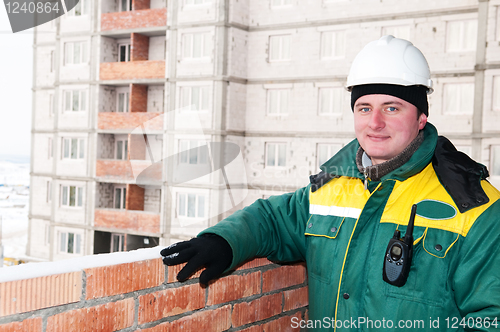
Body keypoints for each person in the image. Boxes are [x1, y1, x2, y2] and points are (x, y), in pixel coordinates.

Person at [161, 36, 500, 331]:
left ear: (421, 118)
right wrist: (223, 242)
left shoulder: (475, 207)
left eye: (392, 108)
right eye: (364, 108)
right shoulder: (332, 187)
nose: (376, 122)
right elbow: (274, 218)